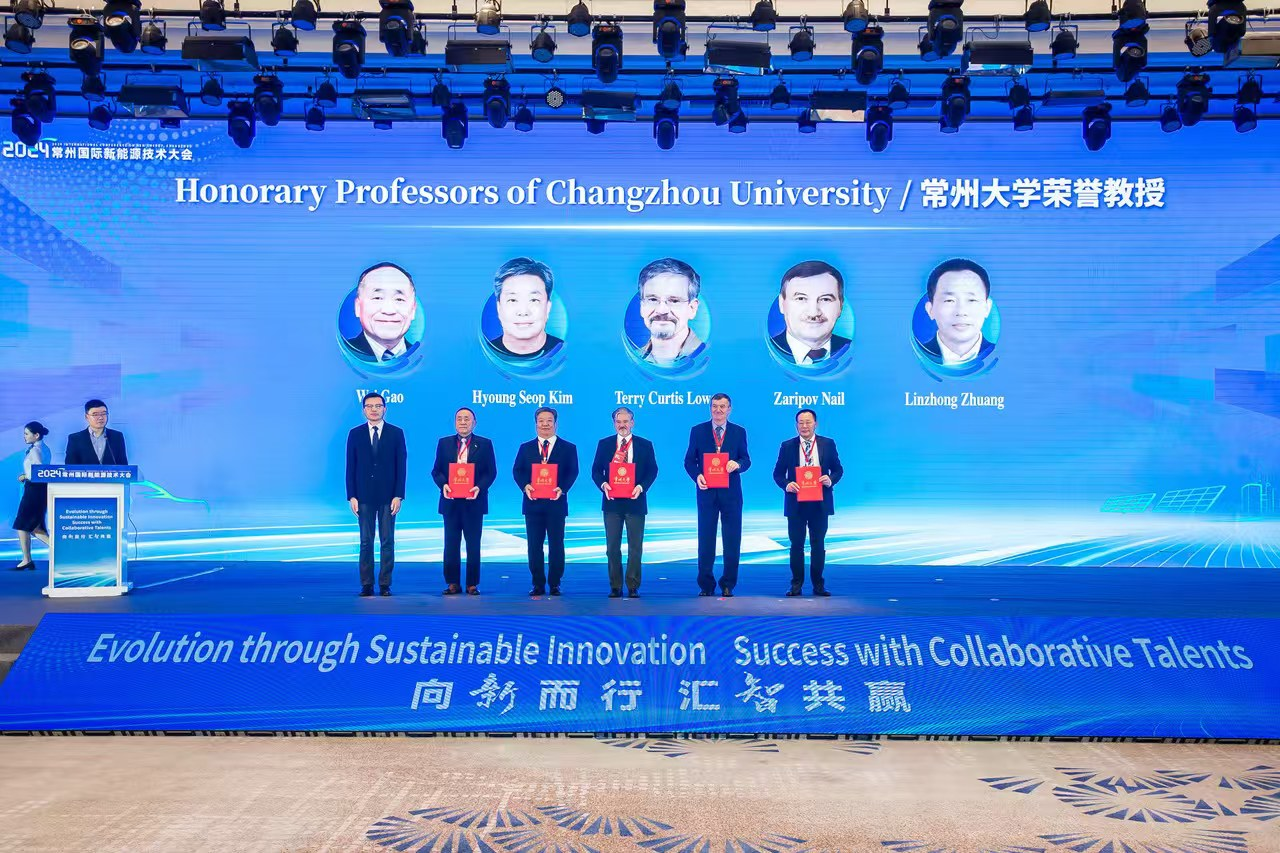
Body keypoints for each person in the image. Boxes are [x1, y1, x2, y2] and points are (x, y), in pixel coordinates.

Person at [683, 393, 750, 597]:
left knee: (732, 540)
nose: (718, 410)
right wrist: (697, 476)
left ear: (729, 409)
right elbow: (689, 461)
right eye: (714, 406)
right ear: (710, 408)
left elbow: (746, 460)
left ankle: (728, 584)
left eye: (722, 406)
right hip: (706, 493)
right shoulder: (698, 431)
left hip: (731, 495)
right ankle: (706, 584)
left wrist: (737, 464)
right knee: (706, 539)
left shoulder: (739, 432)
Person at [772, 408, 843, 597]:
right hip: (796, 503)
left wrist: (830, 479)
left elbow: (838, 470)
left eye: (808, 422)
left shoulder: (828, 444)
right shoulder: (787, 446)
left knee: (818, 544)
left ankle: (818, 585)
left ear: (815, 424)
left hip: (820, 502)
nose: (804, 426)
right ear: (796, 425)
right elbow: (778, 474)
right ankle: (796, 585)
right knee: (796, 545)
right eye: (801, 423)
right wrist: (787, 484)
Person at [589, 407, 658, 598]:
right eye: (619, 422)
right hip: (612, 503)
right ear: (614, 424)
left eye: (626, 421)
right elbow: (596, 471)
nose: (622, 425)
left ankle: (633, 586)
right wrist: (603, 484)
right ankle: (615, 586)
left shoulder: (645, 445)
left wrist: (641, 487)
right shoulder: (604, 444)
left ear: (632, 423)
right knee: (612, 547)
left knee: (635, 547)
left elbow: (652, 470)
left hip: (636, 502)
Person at [345, 392, 407, 597]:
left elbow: (401, 466)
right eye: (370, 406)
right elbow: (350, 466)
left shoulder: (396, 433)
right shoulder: (355, 433)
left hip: (389, 496)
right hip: (363, 496)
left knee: (387, 541)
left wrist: (398, 495)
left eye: (378, 406)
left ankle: (385, 584)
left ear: (385, 409)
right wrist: (352, 496)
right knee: (366, 541)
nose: (374, 409)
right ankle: (367, 584)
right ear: (364, 410)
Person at [512, 406, 578, 596]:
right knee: (534, 546)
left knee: (556, 545)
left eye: (549, 421)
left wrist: (562, 488)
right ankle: (538, 584)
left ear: (555, 424)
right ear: (536, 424)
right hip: (533, 504)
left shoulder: (568, 448)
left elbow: (572, 471)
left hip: (556, 504)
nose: (545, 424)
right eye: (541, 421)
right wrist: (525, 486)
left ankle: (555, 583)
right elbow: (517, 470)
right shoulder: (526, 448)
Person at [430, 407, 497, 595]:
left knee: (473, 544)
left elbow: (491, 472)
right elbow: (436, 471)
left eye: (467, 419)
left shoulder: (485, 444)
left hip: (474, 501)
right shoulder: (444, 443)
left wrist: (479, 487)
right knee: (451, 544)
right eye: (459, 418)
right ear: (454, 422)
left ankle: (472, 584)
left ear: (474, 423)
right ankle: (452, 583)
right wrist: (444, 485)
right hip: (450, 501)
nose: (463, 422)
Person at [770, 260, 852, 366]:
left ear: (840, 306)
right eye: (801, 298)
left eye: (825, 299)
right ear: (782, 304)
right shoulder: (758, 355)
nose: (813, 313)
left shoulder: (855, 351)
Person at [920, 258, 995, 366]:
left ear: (987, 308)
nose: (961, 311)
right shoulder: (914, 357)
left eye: (971, 300)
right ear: (930, 310)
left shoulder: (1005, 357)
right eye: (949, 300)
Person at [486, 257, 564, 360]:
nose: (523, 312)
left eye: (534, 300)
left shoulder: (566, 353)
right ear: (499, 308)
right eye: (513, 300)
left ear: (548, 308)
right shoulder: (484, 355)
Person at [343, 263, 421, 365]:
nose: (389, 310)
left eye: (399, 299)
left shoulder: (421, 356)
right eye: (377, 298)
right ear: (358, 307)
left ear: (413, 309)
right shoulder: (342, 355)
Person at [636, 258, 706, 366]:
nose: (661, 310)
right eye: (653, 299)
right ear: (642, 306)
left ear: (692, 308)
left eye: (674, 301)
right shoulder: (630, 360)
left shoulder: (712, 359)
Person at [12, 421, 51, 570]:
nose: (24, 437)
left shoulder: (36, 451)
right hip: (38, 489)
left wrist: (25, 476)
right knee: (30, 526)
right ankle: (27, 559)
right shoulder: (44, 448)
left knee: (27, 526)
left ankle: (62, 551)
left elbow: (38, 472)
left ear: (36, 435)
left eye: (27, 434)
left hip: (34, 490)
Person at [65, 399, 128, 466]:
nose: (100, 418)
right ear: (86, 417)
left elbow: (123, 465)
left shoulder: (117, 436)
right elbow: (70, 467)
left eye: (104, 414)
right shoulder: (75, 439)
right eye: (95, 414)